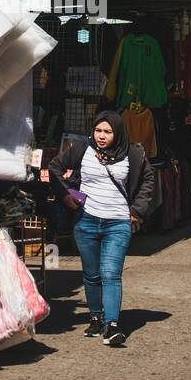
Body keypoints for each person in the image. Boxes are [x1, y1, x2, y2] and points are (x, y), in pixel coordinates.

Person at [45, 110, 155, 347]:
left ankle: (112, 324)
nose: (102, 136)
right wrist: (64, 196)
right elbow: (54, 168)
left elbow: (148, 180)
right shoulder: (81, 149)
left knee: (110, 273)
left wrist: (136, 212)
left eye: (108, 131)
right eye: (98, 131)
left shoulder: (133, 153)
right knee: (91, 275)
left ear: (118, 133)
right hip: (86, 223)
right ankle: (96, 317)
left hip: (118, 223)